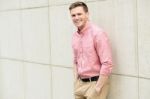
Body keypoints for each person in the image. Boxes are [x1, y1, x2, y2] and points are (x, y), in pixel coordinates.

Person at [69, 1, 113, 99]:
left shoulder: (98, 34)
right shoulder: (75, 36)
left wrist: (97, 88)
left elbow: (107, 63)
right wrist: (76, 80)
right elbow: (75, 60)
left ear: (87, 14)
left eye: (79, 14)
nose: (76, 17)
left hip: (95, 84)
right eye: (73, 15)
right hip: (80, 85)